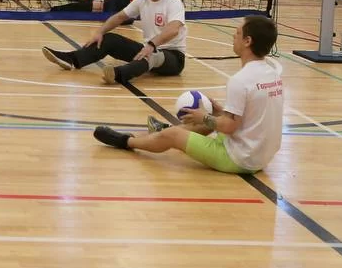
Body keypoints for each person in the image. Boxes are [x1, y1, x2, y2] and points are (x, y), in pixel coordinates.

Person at [92, 16, 283, 175]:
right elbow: (252, 116)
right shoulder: (273, 74)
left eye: (238, 33)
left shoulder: (240, 80)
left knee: (175, 135)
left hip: (240, 159)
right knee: (210, 119)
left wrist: (205, 117)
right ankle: (164, 131)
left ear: (248, 41)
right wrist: (218, 113)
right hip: (262, 156)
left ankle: (127, 141)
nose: (234, 35)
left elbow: (230, 126)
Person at [41, 0, 185, 85]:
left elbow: (173, 30)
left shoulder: (173, 2)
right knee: (108, 39)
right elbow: (119, 17)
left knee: (152, 55)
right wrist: (100, 32)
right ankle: (71, 59)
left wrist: (152, 45)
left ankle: (117, 74)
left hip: (173, 57)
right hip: (148, 49)